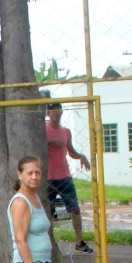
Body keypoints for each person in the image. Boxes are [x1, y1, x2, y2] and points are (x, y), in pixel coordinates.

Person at [45, 101, 93, 253]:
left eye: (58, 111)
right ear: (48, 113)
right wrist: (50, 141)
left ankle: (79, 242)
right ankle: (49, 242)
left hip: (64, 176)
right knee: (48, 211)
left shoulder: (66, 131)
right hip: (48, 177)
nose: (56, 114)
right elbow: (37, 148)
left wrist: (81, 156)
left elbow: (71, 151)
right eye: (53, 111)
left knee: (74, 209)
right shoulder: (43, 130)